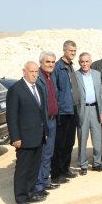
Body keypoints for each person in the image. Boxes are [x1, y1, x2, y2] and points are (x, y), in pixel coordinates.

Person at [7, 61, 48, 204]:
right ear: (24, 71)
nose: (34, 74)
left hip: (38, 136)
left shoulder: (38, 88)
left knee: (34, 168)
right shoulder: (16, 89)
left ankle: (30, 192)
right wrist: (15, 137)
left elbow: (42, 112)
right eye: (31, 71)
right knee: (23, 169)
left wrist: (45, 132)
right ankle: (20, 198)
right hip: (24, 138)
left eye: (36, 72)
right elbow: (11, 116)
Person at [51, 40, 80, 184]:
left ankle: (65, 169)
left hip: (73, 110)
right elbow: (54, 91)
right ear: (64, 50)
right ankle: (56, 174)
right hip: (62, 112)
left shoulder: (71, 66)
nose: (73, 53)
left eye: (74, 51)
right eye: (70, 51)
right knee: (59, 144)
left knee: (69, 142)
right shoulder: (58, 67)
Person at [32, 51, 59, 195]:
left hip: (53, 121)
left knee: (48, 154)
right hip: (43, 123)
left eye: (53, 62)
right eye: (48, 62)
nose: (51, 64)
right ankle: (37, 186)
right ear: (41, 63)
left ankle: (44, 181)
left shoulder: (52, 76)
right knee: (40, 155)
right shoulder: (37, 78)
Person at [75, 53, 102, 175]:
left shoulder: (97, 74)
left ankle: (97, 163)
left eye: (87, 61)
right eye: (82, 61)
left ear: (90, 62)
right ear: (79, 63)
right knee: (82, 138)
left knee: (97, 138)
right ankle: (83, 165)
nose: (84, 64)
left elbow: (101, 94)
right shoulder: (75, 75)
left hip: (95, 109)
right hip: (82, 110)